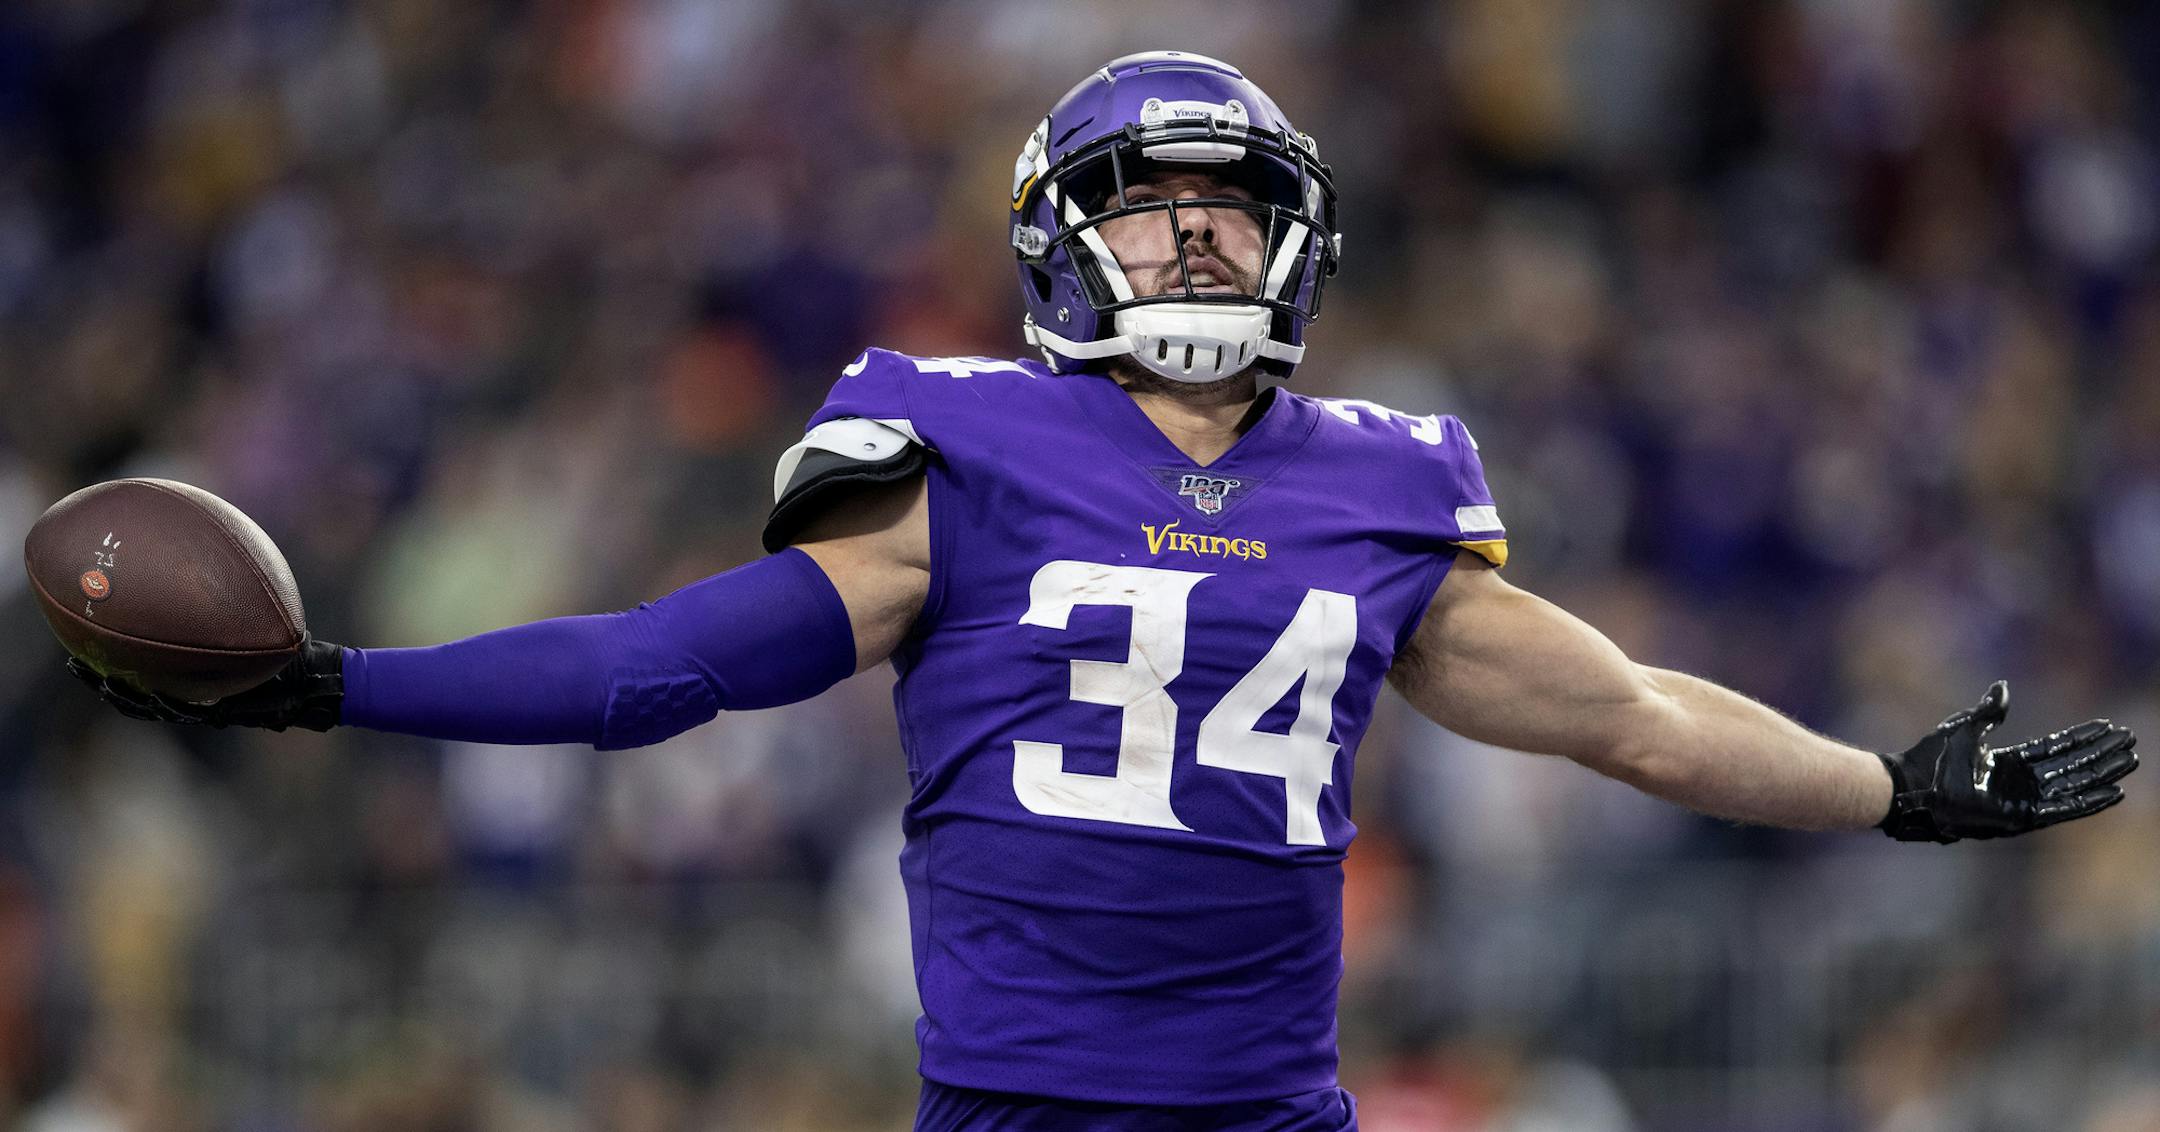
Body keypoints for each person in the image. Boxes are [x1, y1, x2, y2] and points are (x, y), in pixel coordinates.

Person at [72, 51, 2139, 1132]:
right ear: (1067, 251)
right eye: (1145, 217)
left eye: (1225, 212)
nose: (1189, 247)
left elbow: (1629, 713)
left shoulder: (1383, 485)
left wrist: (1889, 785)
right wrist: (340, 685)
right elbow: (666, 665)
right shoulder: (951, 444)